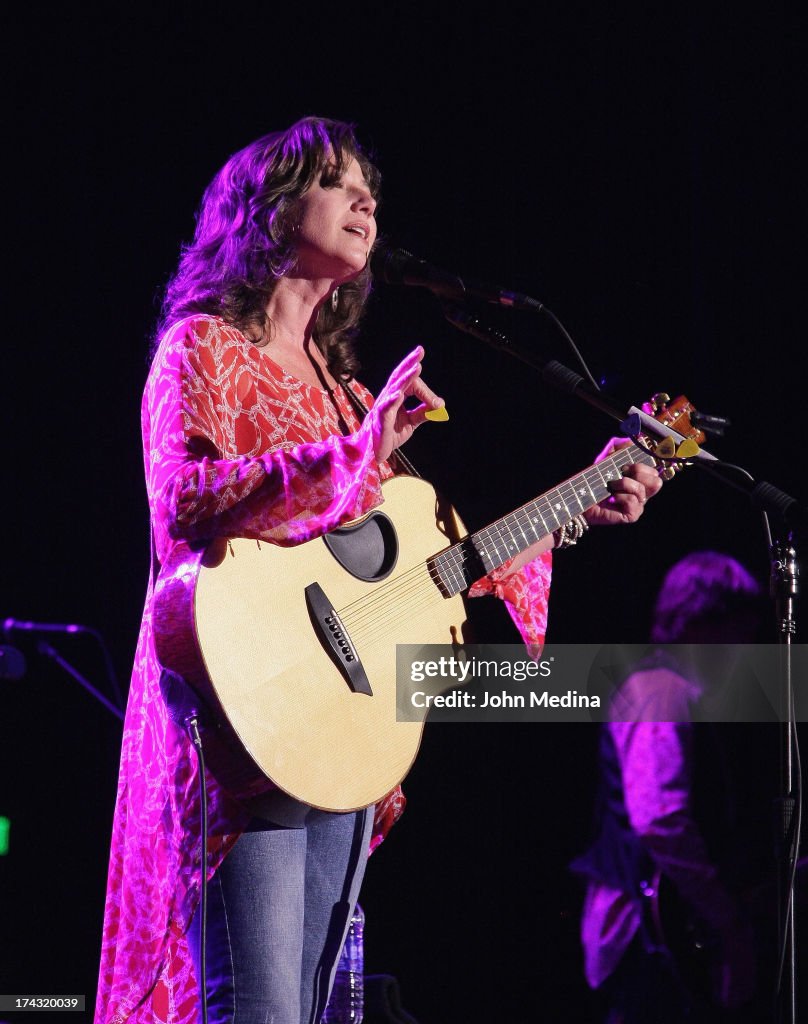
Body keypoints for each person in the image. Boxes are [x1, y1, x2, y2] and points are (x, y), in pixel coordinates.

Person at [94, 115, 663, 1024]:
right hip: (242, 727)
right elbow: (184, 502)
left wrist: (580, 501)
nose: (364, 198)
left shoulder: (350, 393)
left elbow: (429, 566)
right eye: (334, 180)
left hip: (338, 728)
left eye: (370, 186)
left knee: (313, 1010)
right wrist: (353, 458)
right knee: (261, 1009)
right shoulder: (200, 349)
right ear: (267, 213)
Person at [572, 550, 772, 1023]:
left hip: (656, 932)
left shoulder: (672, 690)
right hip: (644, 936)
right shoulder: (661, 691)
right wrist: (728, 920)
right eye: (735, 633)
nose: (741, 650)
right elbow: (659, 819)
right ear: (697, 622)